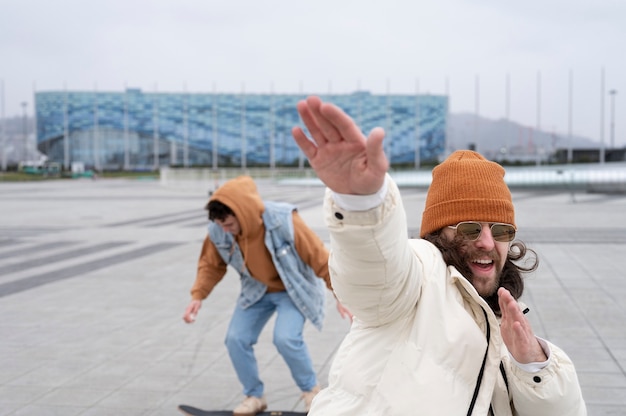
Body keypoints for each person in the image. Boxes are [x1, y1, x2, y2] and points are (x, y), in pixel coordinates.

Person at [291, 96, 586, 415]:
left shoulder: (504, 322)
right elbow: (376, 268)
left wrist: (533, 367)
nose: (488, 242)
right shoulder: (418, 276)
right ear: (439, 234)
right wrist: (362, 205)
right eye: (470, 229)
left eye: (501, 231)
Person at [183, 175, 351, 416]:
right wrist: (197, 296)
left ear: (243, 213)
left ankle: (311, 392)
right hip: (256, 292)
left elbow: (318, 255)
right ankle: (254, 396)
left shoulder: (282, 219)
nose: (225, 231)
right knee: (235, 339)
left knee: (285, 338)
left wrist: (339, 293)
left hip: (293, 291)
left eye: (229, 224)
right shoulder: (218, 229)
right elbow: (210, 265)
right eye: (220, 226)